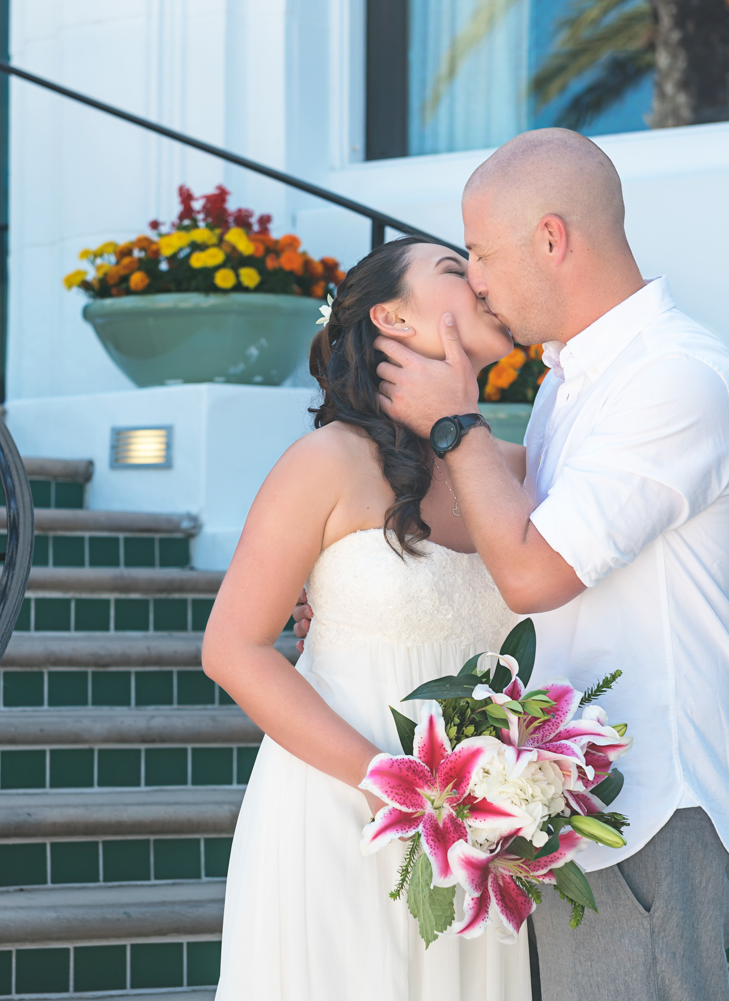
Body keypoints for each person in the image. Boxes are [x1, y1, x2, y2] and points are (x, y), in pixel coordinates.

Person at [295, 129, 729, 1001]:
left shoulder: (673, 377)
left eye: (479, 252)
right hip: (565, 801)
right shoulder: (571, 380)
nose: (474, 278)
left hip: (652, 810)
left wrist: (456, 420)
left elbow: (535, 572)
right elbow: (480, 521)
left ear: (552, 239)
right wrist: (346, 577)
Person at [202, 238, 535, 1001]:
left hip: (480, 831)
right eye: (456, 270)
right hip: (338, 811)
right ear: (392, 316)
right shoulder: (327, 461)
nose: (482, 278)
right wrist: (397, 785)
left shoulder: (518, 471)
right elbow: (233, 648)